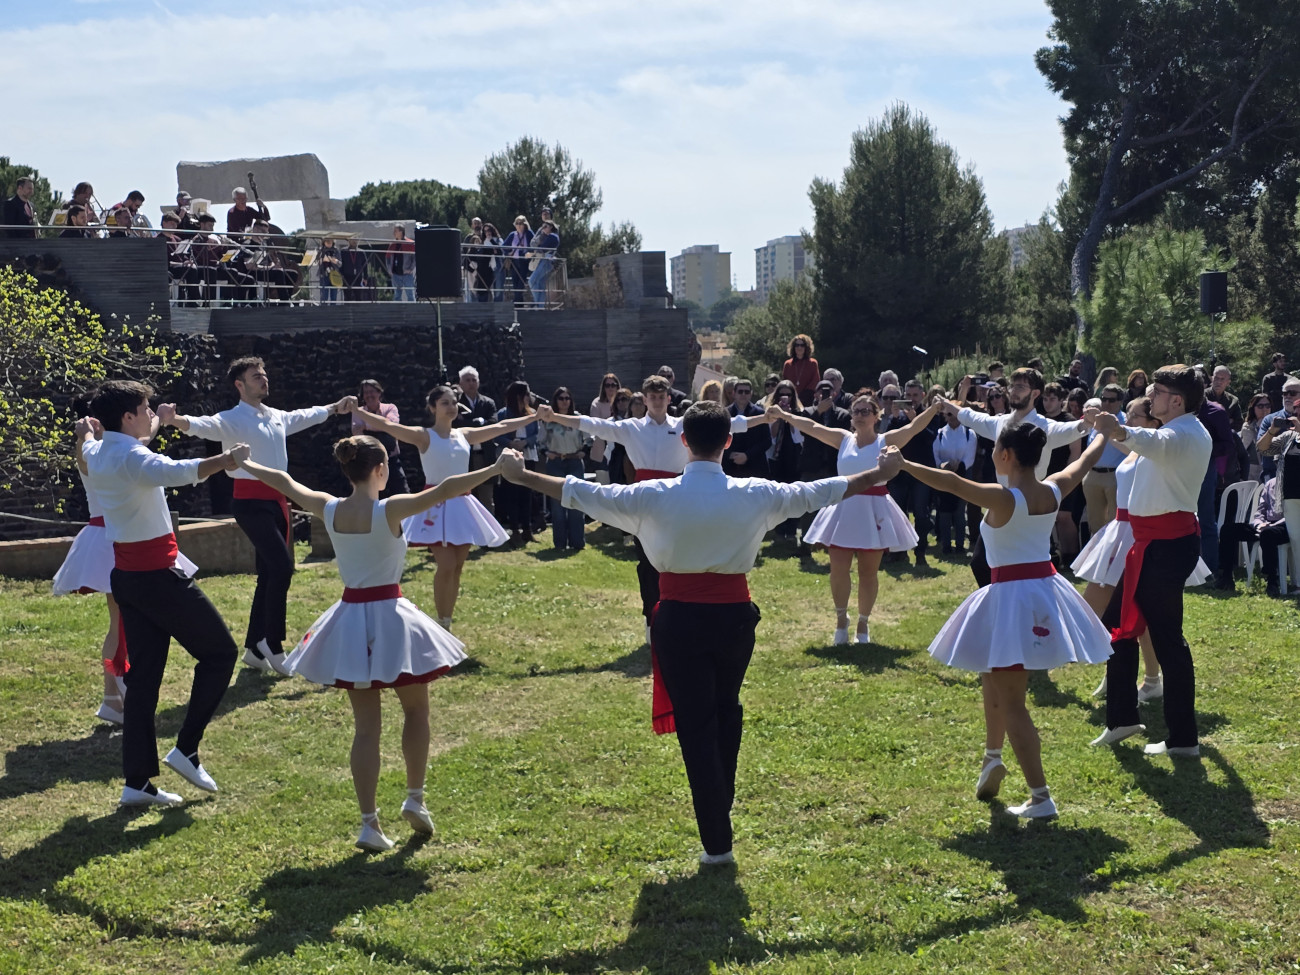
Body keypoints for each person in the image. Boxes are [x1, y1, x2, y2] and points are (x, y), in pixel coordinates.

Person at [495, 401, 905, 865]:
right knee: (725, 708)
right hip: (733, 619)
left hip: (679, 620)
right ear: (728, 442)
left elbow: (577, 492)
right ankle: (718, 813)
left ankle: (717, 835)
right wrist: (877, 473)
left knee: (698, 724)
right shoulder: (754, 492)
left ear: (683, 441)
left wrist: (522, 474)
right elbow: (820, 490)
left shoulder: (653, 496)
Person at [234, 435, 503, 850]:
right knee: (416, 711)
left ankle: (369, 823)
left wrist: (246, 463)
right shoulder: (390, 508)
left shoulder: (330, 507)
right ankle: (415, 798)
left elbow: (285, 482)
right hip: (392, 618)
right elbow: (449, 489)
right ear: (380, 470)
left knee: (366, 730)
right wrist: (497, 467)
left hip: (350, 619)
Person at [902, 422, 1113, 817]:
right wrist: (1103, 432)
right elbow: (1085, 460)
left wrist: (903, 463)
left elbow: (949, 482)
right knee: (991, 672)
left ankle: (1041, 796)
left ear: (1005, 455)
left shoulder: (1003, 497)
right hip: (1044, 591)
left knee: (1013, 699)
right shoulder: (1053, 488)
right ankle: (992, 755)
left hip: (1011, 596)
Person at [79, 380, 247, 807]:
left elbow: (106, 446)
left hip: (129, 578)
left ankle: (136, 783)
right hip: (158, 578)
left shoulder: (99, 450)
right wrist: (226, 458)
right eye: (146, 407)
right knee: (221, 654)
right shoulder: (133, 457)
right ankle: (185, 749)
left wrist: (86, 433)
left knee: (144, 681)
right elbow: (175, 471)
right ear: (127, 417)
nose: (150, 412)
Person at [157, 357, 353, 674]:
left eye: (264, 374)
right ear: (240, 385)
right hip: (250, 503)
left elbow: (304, 416)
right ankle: (272, 645)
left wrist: (334, 408)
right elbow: (203, 425)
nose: (263, 379)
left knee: (269, 573)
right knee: (282, 566)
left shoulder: (275, 416)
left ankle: (254, 648)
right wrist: (174, 419)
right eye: (255, 376)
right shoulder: (233, 418)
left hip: (277, 502)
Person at [538, 376, 762, 641]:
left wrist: (766, 418)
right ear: (644, 400)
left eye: (661, 396)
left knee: (676, 559)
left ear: (669, 399)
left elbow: (732, 423)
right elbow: (593, 424)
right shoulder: (632, 428)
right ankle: (650, 618)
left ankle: (679, 614)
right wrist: (556, 417)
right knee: (646, 564)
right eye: (651, 397)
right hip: (644, 501)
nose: (656, 401)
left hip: (678, 497)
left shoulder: (682, 426)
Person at [1091, 365, 1212, 758]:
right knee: (1120, 625)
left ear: (1176, 400)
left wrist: (1119, 430)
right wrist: (1113, 430)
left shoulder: (1183, 433)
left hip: (1164, 546)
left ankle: (1182, 738)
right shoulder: (1178, 431)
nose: (1150, 396)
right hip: (1154, 544)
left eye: (1157, 391)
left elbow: (1149, 441)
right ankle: (1125, 718)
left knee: (1166, 640)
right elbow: (1146, 447)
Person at [356, 385, 532, 625]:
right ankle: (441, 621)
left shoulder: (464, 435)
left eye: (453, 403)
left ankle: (446, 620)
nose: (451, 408)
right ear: (433, 408)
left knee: (457, 566)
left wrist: (535, 416)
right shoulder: (424, 435)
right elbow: (388, 426)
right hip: (434, 506)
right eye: (445, 403)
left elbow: (500, 427)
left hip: (463, 506)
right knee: (446, 564)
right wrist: (357, 411)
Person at [1072, 396, 1211, 699]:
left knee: (1135, 614)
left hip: (1140, 534)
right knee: (1104, 607)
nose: (1128, 420)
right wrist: (1101, 422)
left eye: (1134, 416)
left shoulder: (1158, 449)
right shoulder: (1137, 448)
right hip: (1120, 532)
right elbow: (1122, 438)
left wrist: (1117, 429)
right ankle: (1123, 673)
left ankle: (1148, 679)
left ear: (1152, 422)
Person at [776, 392, 942, 642]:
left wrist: (934, 407)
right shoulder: (843, 439)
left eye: (866, 411)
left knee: (868, 571)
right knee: (838, 568)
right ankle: (841, 618)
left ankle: (863, 622)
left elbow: (914, 427)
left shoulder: (886, 440)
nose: (860, 416)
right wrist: (784, 415)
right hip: (844, 506)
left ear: (877, 416)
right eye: (856, 411)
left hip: (874, 509)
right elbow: (812, 426)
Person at [943, 369, 1091, 586]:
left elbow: (1072, 429)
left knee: (1031, 565)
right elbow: (972, 417)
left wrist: (1087, 422)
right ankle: (1000, 600)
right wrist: (946, 405)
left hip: (1030, 504)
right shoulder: (1000, 422)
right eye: (1012, 386)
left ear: (1035, 393)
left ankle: (1024, 603)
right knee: (981, 563)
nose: (1013, 391)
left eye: (1021, 387)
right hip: (1003, 501)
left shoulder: (1044, 426)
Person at [1216, 475, 1289, 595]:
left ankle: (1272, 581)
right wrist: (1259, 524)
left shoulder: (1295, 485)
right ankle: (1226, 576)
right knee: (1228, 529)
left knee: (1268, 534)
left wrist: (1271, 526)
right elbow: (1260, 510)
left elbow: (1293, 514)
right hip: (1264, 524)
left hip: (1285, 525)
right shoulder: (1270, 483)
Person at [539, 387, 590, 551]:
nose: (564, 401)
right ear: (556, 400)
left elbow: (589, 439)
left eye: (567, 398)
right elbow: (540, 442)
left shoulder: (577, 419)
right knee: (557, 505)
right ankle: (560, 543)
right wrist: (547, 453)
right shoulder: (548, 420)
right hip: (556, 463)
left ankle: (577, 542)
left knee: (576, 502)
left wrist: (584, 452)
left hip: (574, 461)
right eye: (561, 398)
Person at [493, 381, 543, 545]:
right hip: (510, 456)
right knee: (512, 493)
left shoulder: (532, 414)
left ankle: (527, 529)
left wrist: (526, 442)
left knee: (526, 494)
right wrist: (510, 443)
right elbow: (496, 434)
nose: (530, 397)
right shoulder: (503, 413)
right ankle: (514, 529)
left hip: (527, 455)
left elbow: (537, 434)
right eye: (527, 394)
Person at [1081, 384, 1128, 534]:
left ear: (1120, 401)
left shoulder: (1125, 421)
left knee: (1114, 523)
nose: (1106, 403)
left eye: (1111, 400)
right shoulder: (1097, 420)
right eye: (1103, 399)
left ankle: (1113, 556)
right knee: (1094, 524)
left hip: (1114, 476)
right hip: (1093, 475)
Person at [351, 380, 409, 497]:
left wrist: (367, 426)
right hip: (369, 461)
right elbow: (357, 433)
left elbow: (391, 425)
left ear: (379, 393)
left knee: (401, 493)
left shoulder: (390, 408)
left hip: (391, 460)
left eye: (372, 391)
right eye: (366, 392)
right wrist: (382, 427)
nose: (369, 395)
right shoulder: (358, 412)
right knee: (372, 496)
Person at [932, 404, 977, 555]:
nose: (953, 419)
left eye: (956, 415)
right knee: (944, 512)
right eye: (949, 415)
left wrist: (960, 465)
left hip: (963, 475)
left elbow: (970, 457)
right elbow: (936, 454)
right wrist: (942, 465)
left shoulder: (969, 434)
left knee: (959, 511)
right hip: (944, 476)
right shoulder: (939, 433)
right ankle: (945, 545)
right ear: (945, 416)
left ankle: (959, 545)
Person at [455, 366, 499, 513]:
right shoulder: (454, 404)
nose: (471, 383)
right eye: (467, 380)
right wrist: (478, 422)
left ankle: (491, 535)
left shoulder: (488, 403)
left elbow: (493, 424)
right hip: (464, 457)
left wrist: (468, 421)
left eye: (474, 380)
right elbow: (455, 425)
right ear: (461, 383)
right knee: (465, 497)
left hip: (484, 456)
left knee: (487, 498)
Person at [722, 379, 771, 479]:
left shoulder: (760, 414)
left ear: (751, 394)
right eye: (740, 391)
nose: (743, 394)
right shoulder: (724, 413)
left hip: (755, 467)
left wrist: (747, 455)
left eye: (747, 392)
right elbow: (719, 439)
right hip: (730, 467)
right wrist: (729, 454)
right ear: (734, 393)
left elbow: (767, 441)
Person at [588, 373, 622, 471]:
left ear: (617, 386)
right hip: (602, 448)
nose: (610, 388)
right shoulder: (596, 403)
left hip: (620, 445)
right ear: (603, 388)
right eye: (607, 385)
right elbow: (596, 425)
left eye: (613, 385)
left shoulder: (622, 400)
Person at [527, 219, 559, 305]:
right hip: (545, 261)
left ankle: (537, 304)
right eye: (542, 227)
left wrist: (534, 251)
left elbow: (541, 249)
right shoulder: (547, 236)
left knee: (532, 281)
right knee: (540, 284)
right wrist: (541, 235)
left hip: (546, 261)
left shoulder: (553, 236)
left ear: (551, 227)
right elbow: (533, 244)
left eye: (545, 226)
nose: (543, 228)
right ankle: (540, 307)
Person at [1241, 393, 1272, 481]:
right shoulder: (1247, 427)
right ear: (1253, 408)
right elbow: (1246, 450)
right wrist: (1259, 427)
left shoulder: (1276, 424)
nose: (1265, 409)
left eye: (1267, 406)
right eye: (1260, 406)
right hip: (1252, 472)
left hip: (1271, 470)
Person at [782, 335, 820, 406]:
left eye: (802, 345)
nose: (799, 347)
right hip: (791, 400)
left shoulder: (813, 363)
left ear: (806, 347)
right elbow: (785, 383)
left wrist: (803, 396)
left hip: (808, 400)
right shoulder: (787, 364)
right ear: (793, 347)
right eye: (797, 345)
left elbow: (815, 381)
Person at [502, 217, 533, 301]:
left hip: (524, 260)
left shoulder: (529, 233)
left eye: (521, 223)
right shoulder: (512, 234)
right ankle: (519, 303)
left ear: (525, 224)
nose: (519, 225)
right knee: (515, 282)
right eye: (517, 223)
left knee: (521, 282)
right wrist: (507, 253)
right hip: (514, 261)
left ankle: (516, 301)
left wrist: (529, 252)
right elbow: (503, 246)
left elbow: (534, 245)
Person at [386, 226, 416, 301]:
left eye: (396, 231)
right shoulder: (393, 244)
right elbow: (388, 257)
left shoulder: (410, 243)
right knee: (397, 295)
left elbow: (414, 258)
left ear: (401, 232)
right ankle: (397, 312)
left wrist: (411, 269)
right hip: (396, 273)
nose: (394, 233)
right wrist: (389, 270)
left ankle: (413, 311)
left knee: (410, 294)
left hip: (407, 274)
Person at [318, 236, 343, 304]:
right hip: (324, 275)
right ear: (324, 242)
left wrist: (336, 261)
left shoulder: (336, 250)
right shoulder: (321, 250)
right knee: (324, 296)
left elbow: (340, 264)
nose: (329, 242)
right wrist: (322, 260)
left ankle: (333, 311)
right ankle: (323, 310)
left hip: (334, 275)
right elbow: (316, 262)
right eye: (327, 241)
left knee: (334, 296)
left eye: (330, 241)